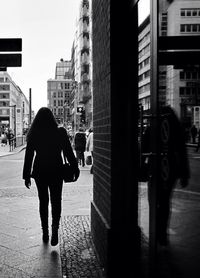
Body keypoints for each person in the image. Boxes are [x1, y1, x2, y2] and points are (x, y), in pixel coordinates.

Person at [22, 107, 79, 246]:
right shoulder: (60, 132)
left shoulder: (34, 133)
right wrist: (75, 167)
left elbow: (29, 155)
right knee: (56, 200)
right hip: (56, 170)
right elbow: (68, 151)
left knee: (43, 201)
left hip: (40, 170)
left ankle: (45, 232)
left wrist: (26, 175)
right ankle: (55, 230)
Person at [141, 106, 190, 246]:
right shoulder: (175, 127)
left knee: (154, 200)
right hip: (170, 169)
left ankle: (156, 230)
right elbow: (182, 149)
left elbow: (144, 146)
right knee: (165, 201)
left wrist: (142, 168)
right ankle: (161, 233)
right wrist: (184, 174)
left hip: (155, 168)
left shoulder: (153, 125)